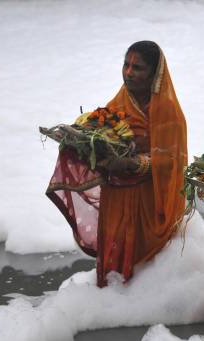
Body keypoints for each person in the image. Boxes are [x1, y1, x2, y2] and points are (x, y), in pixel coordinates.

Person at [46, 41, 187, 287]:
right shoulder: (119, 103)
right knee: (114, 259)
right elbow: (101, 134)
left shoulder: (167, 111)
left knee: (142, 268)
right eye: (126, 64)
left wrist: (134, 163)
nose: (129, 72)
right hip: (116, 197)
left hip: (147, 198)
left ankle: (142, 305)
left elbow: (172, 159)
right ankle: (112, 302)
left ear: (154, 74)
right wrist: (79, 143)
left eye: (138, 67)